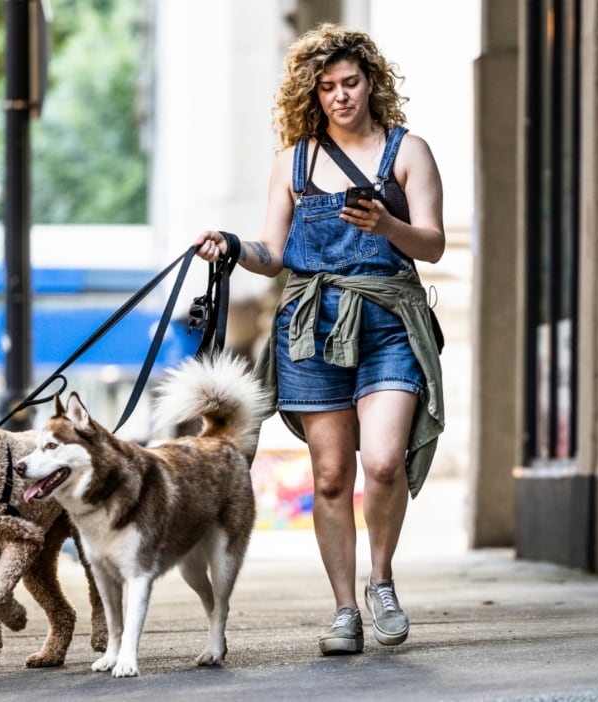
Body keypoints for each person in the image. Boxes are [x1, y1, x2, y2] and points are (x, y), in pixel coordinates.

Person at [194, 22, 445, 656]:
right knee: (331, 476)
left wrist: (389, 224)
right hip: (309, 328)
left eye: (351, 83)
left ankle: (380, 580)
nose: (341, 96)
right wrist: (232, 245)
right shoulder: (295, 161)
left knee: (383, 461)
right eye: (328, 86)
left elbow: (434, 244)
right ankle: (342, 611)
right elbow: (274, 253)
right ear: (313, 92)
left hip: (387, 320)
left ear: (371, 84)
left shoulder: (407, 152)